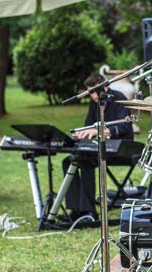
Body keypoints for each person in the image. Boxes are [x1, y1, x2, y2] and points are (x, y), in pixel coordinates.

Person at [62, 74, 133, 220]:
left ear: (105, 87)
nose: (93, 96)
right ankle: (76, 210)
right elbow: (89, 125)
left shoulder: (119, 98)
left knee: (85, 161)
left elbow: (124, 127)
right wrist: (80, 134)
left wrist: (98, 131)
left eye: (94, 91)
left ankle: (89, 212)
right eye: (90, 92)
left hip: (122, 148)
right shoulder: (94, 102)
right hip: (100, 147)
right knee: (69, 161)